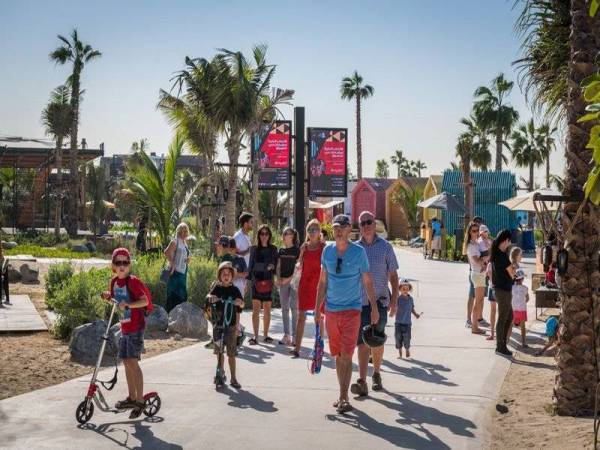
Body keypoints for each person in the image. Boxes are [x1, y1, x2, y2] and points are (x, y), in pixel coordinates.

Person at [314, 214, 378, 414]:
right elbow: (322, 282)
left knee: (347, 354)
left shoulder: (359, 253)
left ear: (350, 229)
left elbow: (367, 281)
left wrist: (374, 308)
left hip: (352, 310)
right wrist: (316, 309)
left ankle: (343, 397)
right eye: (335, 228)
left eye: (342, 227)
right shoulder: (327, 251)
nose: (338, 231)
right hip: (331, 310)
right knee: (338, 354)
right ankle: (342, 394)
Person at [352, 210, 399, 395]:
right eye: (362, 223)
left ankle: (377, 374)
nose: (366, 226)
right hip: (359, 302)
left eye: (368, 222)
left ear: (374, 224)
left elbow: (393, 276)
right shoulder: (355, 248)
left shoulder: (386, 247)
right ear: (359, 227)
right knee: (362, 342)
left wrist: (394, 300)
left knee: (376, 340)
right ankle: (362, 380)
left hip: (379, 301)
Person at [101, 248, 151, 419]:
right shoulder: (114, 282)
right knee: (126, 362)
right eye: (118, 262)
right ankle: (131, 397)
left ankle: (140, 400)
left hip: (136, 328)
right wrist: (108, 296)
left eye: (125, 262)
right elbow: (117, 300)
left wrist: (129, 305)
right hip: (125, 327)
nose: (122, 265)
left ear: (129, 265)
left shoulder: (134, 282)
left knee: (133, 362)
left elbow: (144, 301)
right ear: (113, 266)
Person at [206, 262, 244, 388]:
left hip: (231, 326)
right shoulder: (217, 288)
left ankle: (233, 378)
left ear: (232, 276)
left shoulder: (235, 290)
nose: (226, 276)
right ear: (219, 276)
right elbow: (209, 296)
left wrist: (238, 302)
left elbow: (241, 304)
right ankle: (220, 373)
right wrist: (211, 297)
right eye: (223, 274)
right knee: (219, 352)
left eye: (228, 274)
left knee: (231, 353)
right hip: (218, 325)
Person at [292, 219, 326, 358]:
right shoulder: (304, 247)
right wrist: (300, 256)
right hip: (305, 285)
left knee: (319, 317)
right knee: (301, 317)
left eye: (315, 229)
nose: (312, 232)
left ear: (319, 232)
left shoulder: (323, 247)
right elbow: (299, 264)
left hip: (319, 286)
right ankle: (297, 349)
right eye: (310, 230)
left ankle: (318, 347)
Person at [247, 224, 279, 344]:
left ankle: (265, 335)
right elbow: (251, 266)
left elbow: (276, 265)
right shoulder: (254, 249)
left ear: (269, 235)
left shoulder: (273, 249)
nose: (264, 236)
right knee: (255, 309)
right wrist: (266, 267)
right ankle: (255, 336)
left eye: (266, 233)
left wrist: (273, 267)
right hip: (256, 281)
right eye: (262, 233)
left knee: (267, 309)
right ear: (259, 235)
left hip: (268, 281)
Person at [491, 229, 516, 357]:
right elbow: (512, 273)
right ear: (506, 240)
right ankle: (500, 346)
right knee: (503, 318)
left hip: (501, 289)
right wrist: (514, 268)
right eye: (509, 241)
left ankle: (502, 344)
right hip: (503, 290)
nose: (510, 244)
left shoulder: (497, 253)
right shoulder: (501, 255)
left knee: (509, 316)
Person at [276, 227, 300, 346]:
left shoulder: (297, 250)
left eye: (288, 233)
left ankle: (295, 337)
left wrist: (288, 279)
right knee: (284, 309)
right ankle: (287, 336)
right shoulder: (281, 250)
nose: (285, 235)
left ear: (293, 236)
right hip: (283, 282)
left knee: (294, 309)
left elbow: (298, 268)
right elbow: (278, 266)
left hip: (294, 282)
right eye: (284, 233)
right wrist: (278, 278)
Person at [164, 223, 190, 312]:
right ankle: (171, 316)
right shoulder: (175, 241)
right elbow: (166, 252)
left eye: (186, 231)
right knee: (173, 296)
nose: (185, 233)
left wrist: (187, 260)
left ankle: (179, 317)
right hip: (175, 273)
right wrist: (173, 263)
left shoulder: (184, 243)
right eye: (183, 231)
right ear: (179, 232)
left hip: (182, 273)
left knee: (182, 296)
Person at [466, 221, 487, 336]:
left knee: (480, 300)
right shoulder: (471, 246)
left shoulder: (477, 243)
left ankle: (475, 326)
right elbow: (477, 261)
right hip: (477, 274)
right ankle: (474, 327)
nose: (476, 233)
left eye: (477, 230)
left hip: (480, 274)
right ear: (469, 232)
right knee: (478, 301)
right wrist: (485, 260)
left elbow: (485, 256)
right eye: (473, 231)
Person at [393, 279, 421, 358]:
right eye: (403, 289)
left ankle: (407, 349)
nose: (405, 290)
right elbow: (394, 307)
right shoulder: (398, 299)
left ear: (409, 289)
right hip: (398, 323)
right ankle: (400, 352)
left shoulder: (410, 299)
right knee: (398, 338)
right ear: (400, 289)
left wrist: (416, 314)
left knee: (407, 338)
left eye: (407, 289)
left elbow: (411, 308)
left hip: (407, 323)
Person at [234, 212, 254, 293]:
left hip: (244, 275)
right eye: (251, 222)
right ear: (245, 224)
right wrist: (247, 251)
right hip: (238, 275)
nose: (253, 224)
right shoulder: (237, 237)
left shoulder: (247, 236)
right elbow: (233, 253)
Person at [511, 269, 530, 348]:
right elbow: (527, 299)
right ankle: (523, 343)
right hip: (522, 309)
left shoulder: (512, 287)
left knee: (510, 325)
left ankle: (507, 340)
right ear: (522, 279)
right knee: (523, 327)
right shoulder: (525, 288)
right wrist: (523, 302)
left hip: (513, 309)